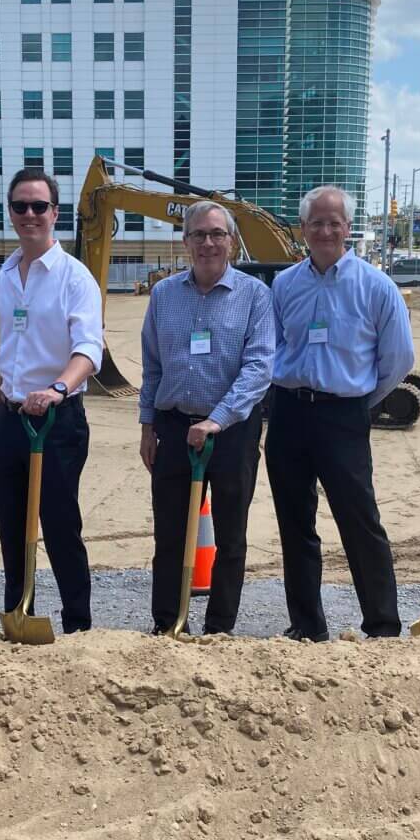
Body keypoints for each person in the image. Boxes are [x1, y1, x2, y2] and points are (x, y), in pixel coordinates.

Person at [266, 185, 415, 642]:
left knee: (360, 521)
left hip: (344, 418)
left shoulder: (376, 287)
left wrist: (358, 403)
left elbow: (398, 361)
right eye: (317, 223)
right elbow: (272, 347)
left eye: (334, 222)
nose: (326, 230)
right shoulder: (285, 284)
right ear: (303, 230)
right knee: (295, 524)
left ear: (348, 229)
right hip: (289, 414)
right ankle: (307, 626)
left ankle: (383, 625)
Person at [139, 201, 274, 635]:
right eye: (198, 235)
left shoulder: (255, 296)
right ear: (185, 242)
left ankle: (219, 628)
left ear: (232, 242)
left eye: (217, 234)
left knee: (231, 536)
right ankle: (167, 625)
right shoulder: (164, 295)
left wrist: (216, 420)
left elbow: (259, 368)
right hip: (175, 427)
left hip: (232, 433)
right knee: (170, 535)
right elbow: (152, 366)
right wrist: (147, 425)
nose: (208, 243)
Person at [0, 168, 104, 633]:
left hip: (58, 421)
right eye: (21, 206)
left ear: (54, 214)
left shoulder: (75, 278)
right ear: (12, 213)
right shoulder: (6, 273)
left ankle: (79, 623)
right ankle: (19, 613)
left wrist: (57, 388)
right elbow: (6, 355)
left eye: (39, 206)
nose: (30, 214)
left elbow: (89, 349)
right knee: (12, 529)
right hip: (12, 418)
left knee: (59, 527)